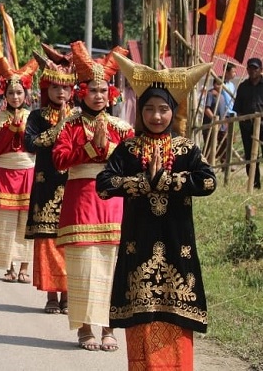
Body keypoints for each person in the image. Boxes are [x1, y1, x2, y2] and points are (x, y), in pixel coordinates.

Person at [97, 54, 216, 369]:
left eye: (163, 109)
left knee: (175, 311)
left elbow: (208, 182)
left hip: (177, 243)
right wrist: (141, 183)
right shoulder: (129, 149)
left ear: (173, 111)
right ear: (139, 112)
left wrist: (168, 181)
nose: (156, 115)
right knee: (141, 313)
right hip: (139, 242)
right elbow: (104, 184)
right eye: (148, 109)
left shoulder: (187, 149)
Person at [51, 41, 133, 352]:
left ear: (111, 93)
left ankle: (109, 328)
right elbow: (58, 161)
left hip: (112, 205)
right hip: (80, 203)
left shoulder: (122, 129)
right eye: (93, 90)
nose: (98, 96)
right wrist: (88, 148)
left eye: (103, 90)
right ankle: (85, 329)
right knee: (83, 268)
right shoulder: (69, 125)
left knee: (112, 267)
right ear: (81, 92)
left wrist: (107, 148)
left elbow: (130, 164)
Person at [24, 44, 75, 315]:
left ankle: (68, 293)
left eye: (65, 88)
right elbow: (30, 144)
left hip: (72, 186)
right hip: (46, 185)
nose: (61, 92)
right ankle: (51, 295)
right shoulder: (37, 116)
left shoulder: (80, 115)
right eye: (56, 87)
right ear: (47, 88)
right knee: (47, 240)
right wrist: (57, 129)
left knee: (69, 240)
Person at [0, 57, 39, 284]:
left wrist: (23, 130)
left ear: (25, 95)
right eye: (11, 93)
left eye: (19, 93)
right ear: (5, 97)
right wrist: (10, 130)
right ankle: (9, 267)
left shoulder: (34, 119)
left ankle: (25, 267)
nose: (15, 97)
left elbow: (36, 145)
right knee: (5, 222)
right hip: (5, 173)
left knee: (26, 222)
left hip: (27, 171)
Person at [234, 57, 263, 189]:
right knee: (250, 156)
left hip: (262, 125)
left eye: (255, 68)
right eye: (250, 68)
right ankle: (254, 184)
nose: (252, 71)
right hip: (247, 126)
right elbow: (238, 109)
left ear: (261, 70)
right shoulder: (243, 87)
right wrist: (243, 120)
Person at [202, 77, 228, 162]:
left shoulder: (222, 96)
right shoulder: (211, 94)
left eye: (221, 84)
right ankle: (205, 163)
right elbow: (207, 109)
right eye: (218, 84)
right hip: (211, 125)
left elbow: (223, 110)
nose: (220, 86)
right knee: (209, 145)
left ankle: (223, 162)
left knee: (224, 143)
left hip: (222, 125)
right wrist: (214, 118)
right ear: (214, 84)